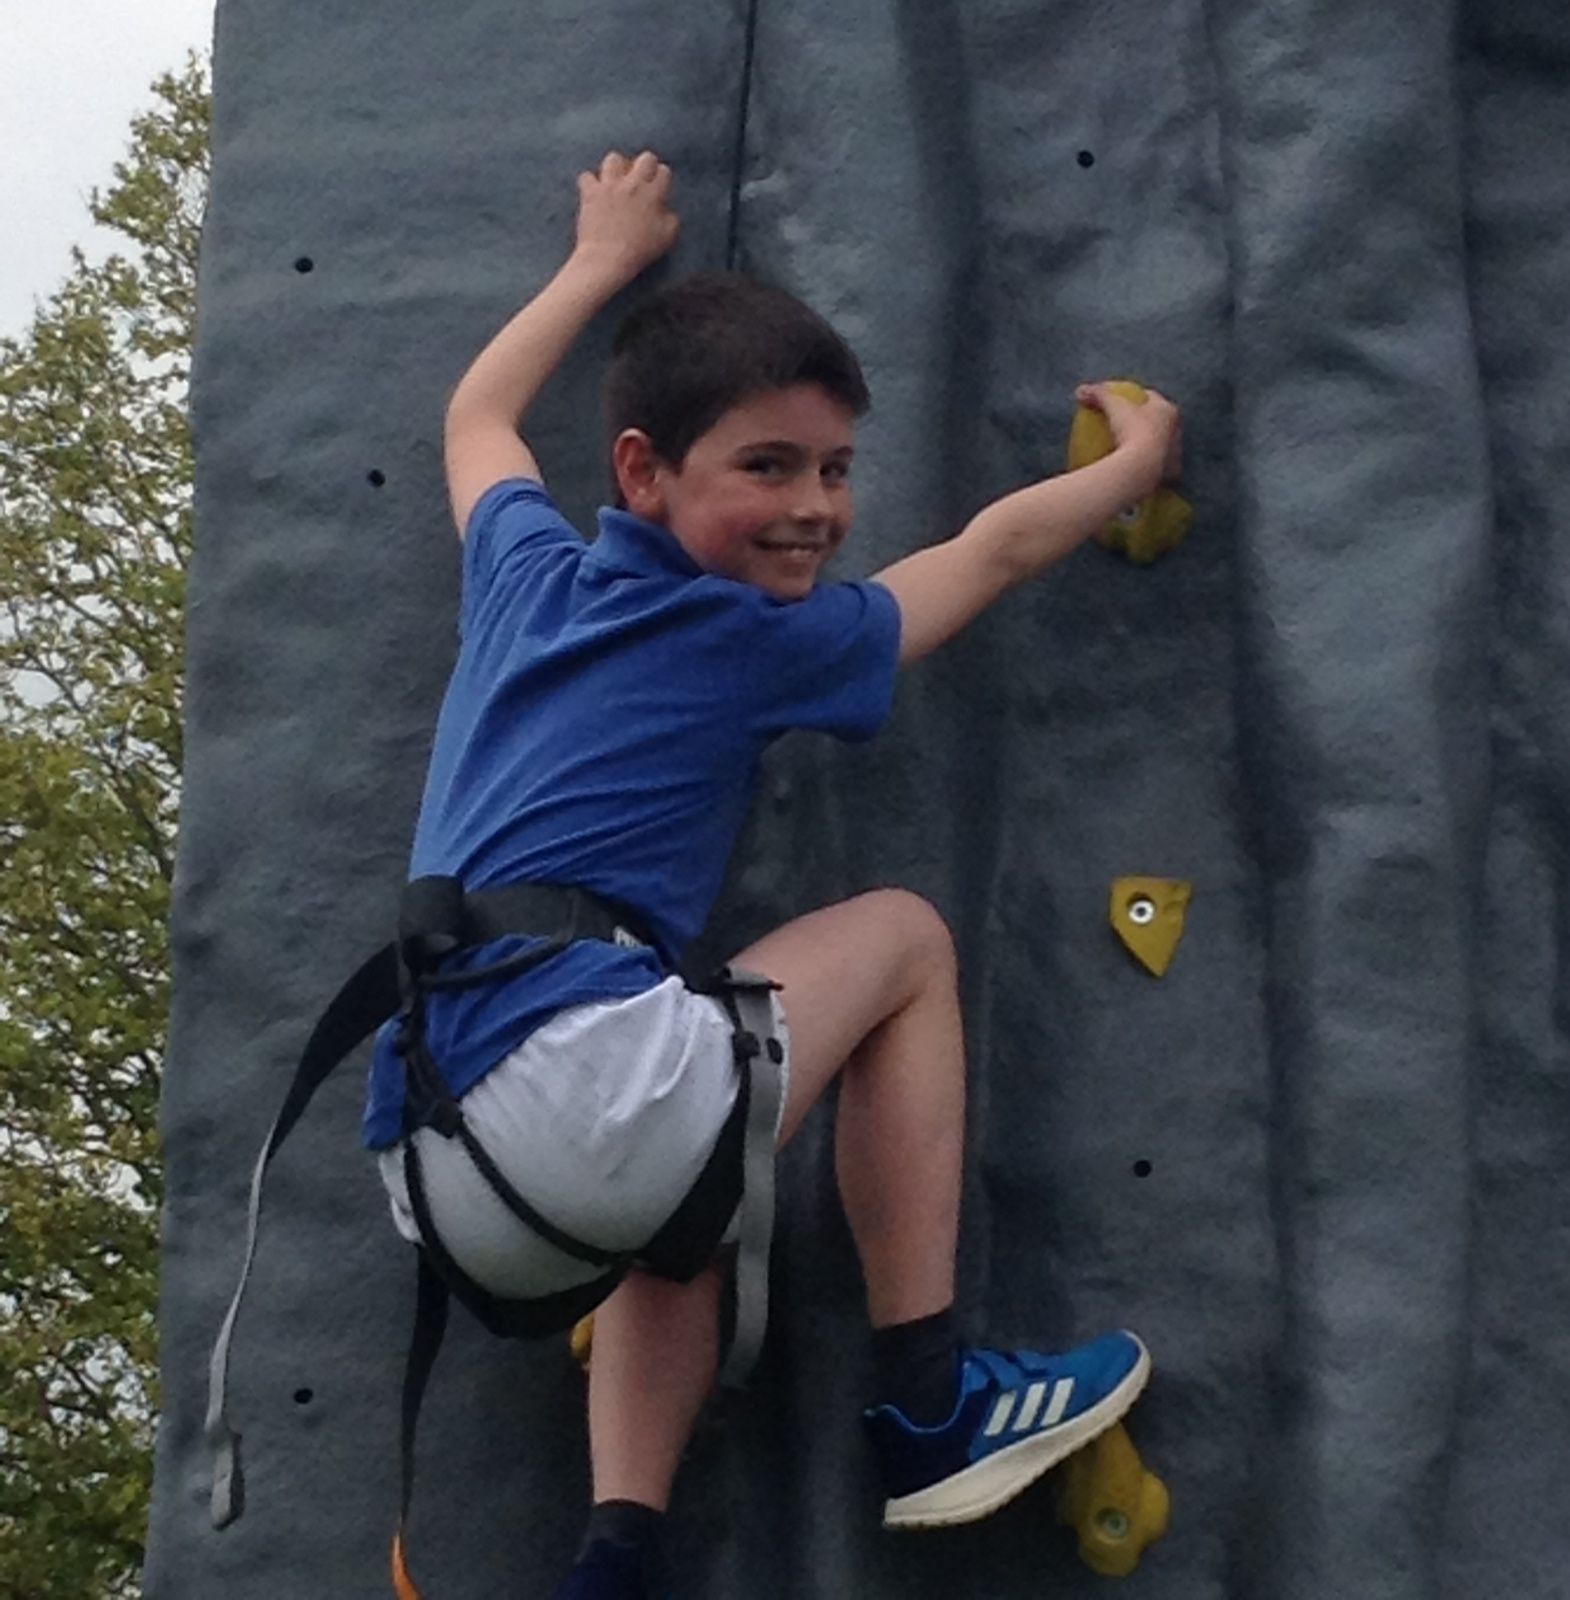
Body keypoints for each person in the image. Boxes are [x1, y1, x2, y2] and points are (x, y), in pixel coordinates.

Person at [363, 149, 1183, 1600]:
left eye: (836, 469)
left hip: (438, 1166)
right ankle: (929, 1406)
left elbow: (478, 417)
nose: (814, 506)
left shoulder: (524, 577)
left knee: (685, 1210)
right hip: (573, 1094)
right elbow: (990, 554)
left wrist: (598, 260)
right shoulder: (748, 634)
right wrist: (1133, 466)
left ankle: (617, 1555)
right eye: (769, 467)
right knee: (906, 939)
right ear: (644, 471)